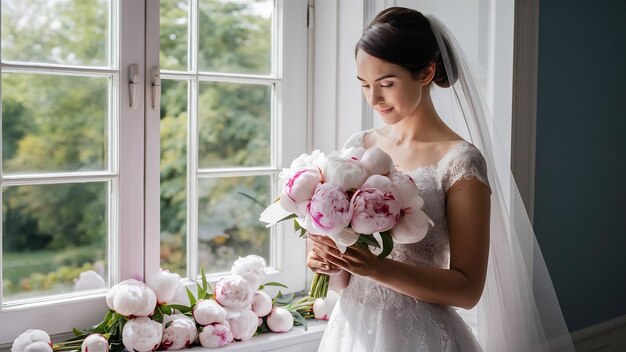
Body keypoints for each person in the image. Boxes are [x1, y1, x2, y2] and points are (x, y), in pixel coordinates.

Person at [307, 7, 574, 352]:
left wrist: (377, 268)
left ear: (426, 72)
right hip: (351, 333)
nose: (374, 99)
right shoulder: (358, 147)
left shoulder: (460, 161)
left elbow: (467, 290)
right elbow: (344, 280)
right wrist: (326, 259)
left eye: (387, 83)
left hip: (422, 338)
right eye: (365, 85)